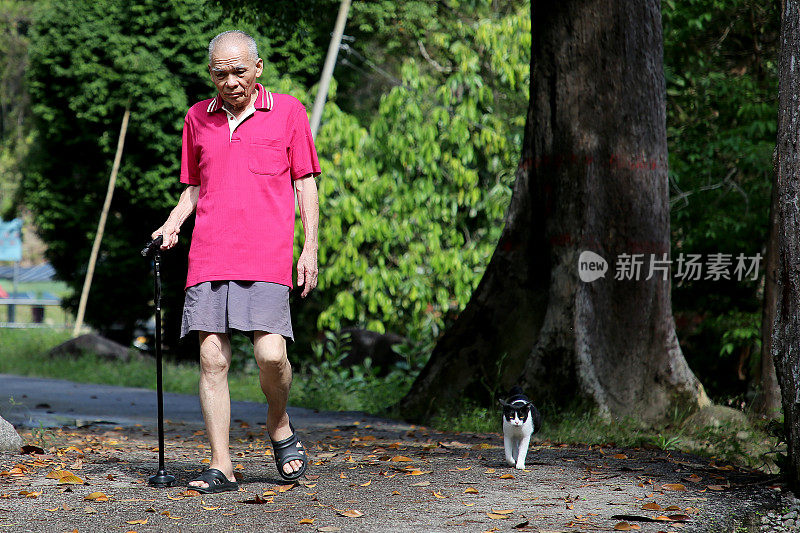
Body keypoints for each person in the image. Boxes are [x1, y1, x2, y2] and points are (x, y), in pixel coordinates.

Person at [152, 30, 320, 493]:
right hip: (210, 254)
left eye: (239, 70)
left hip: (266, 257)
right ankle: (221, 464)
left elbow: (305, 181)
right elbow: (193, 187)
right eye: (220, 73)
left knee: (271, 354)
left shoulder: (288, 112)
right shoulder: (196, 119)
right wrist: (172, 224)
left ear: (258, 68)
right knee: (212, 359)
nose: (230, 81)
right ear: (211, 74)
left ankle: (279, 420)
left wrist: (309, 248)